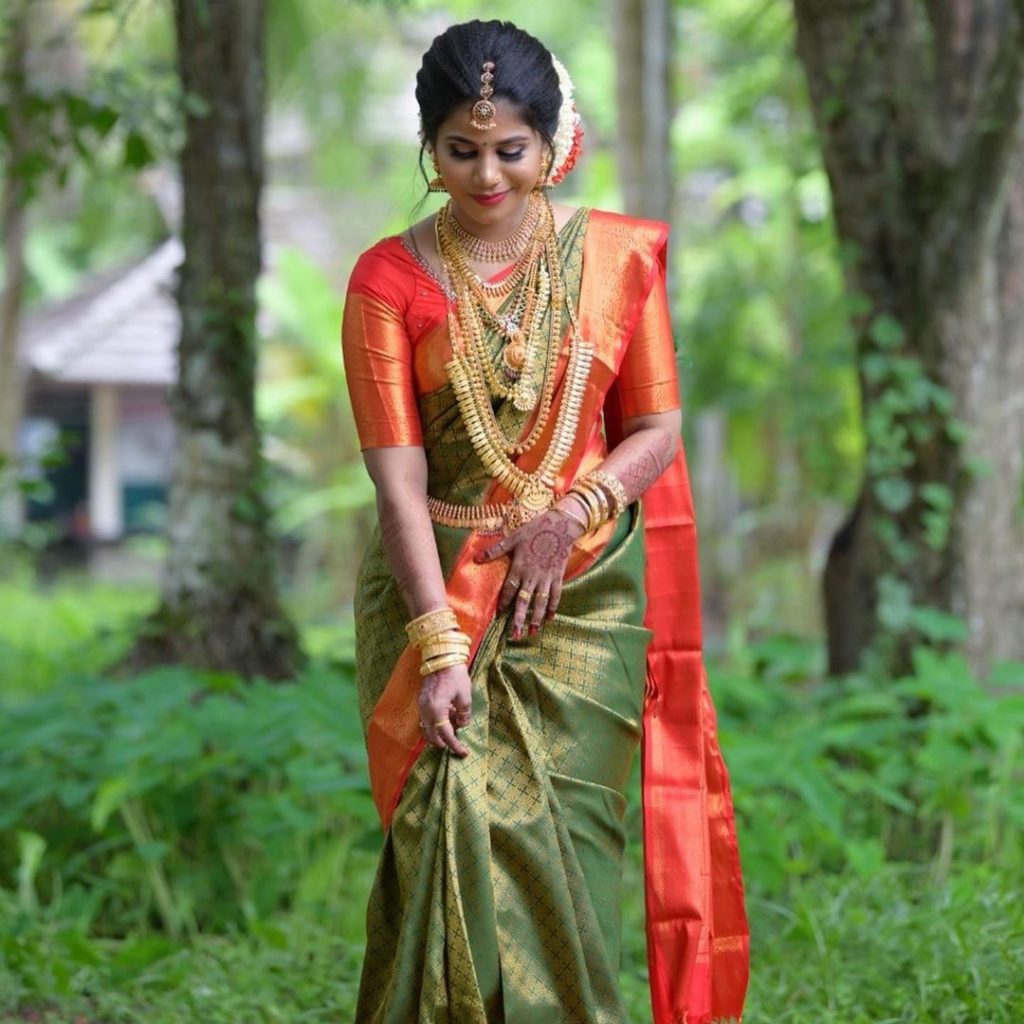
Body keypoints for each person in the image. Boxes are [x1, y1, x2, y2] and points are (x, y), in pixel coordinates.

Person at [341, 19, 748, 1024]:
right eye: (460, 149)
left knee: (562, 847)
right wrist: (438, 648)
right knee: (453, 822)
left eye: (509, 150)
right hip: (437, 584)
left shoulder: (614, 262)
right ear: (428, 148)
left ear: (551, 141)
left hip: (582, 593)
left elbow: (654, 426)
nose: (486, 174)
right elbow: (396, 486)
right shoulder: (386, 280)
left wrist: (568, 516)